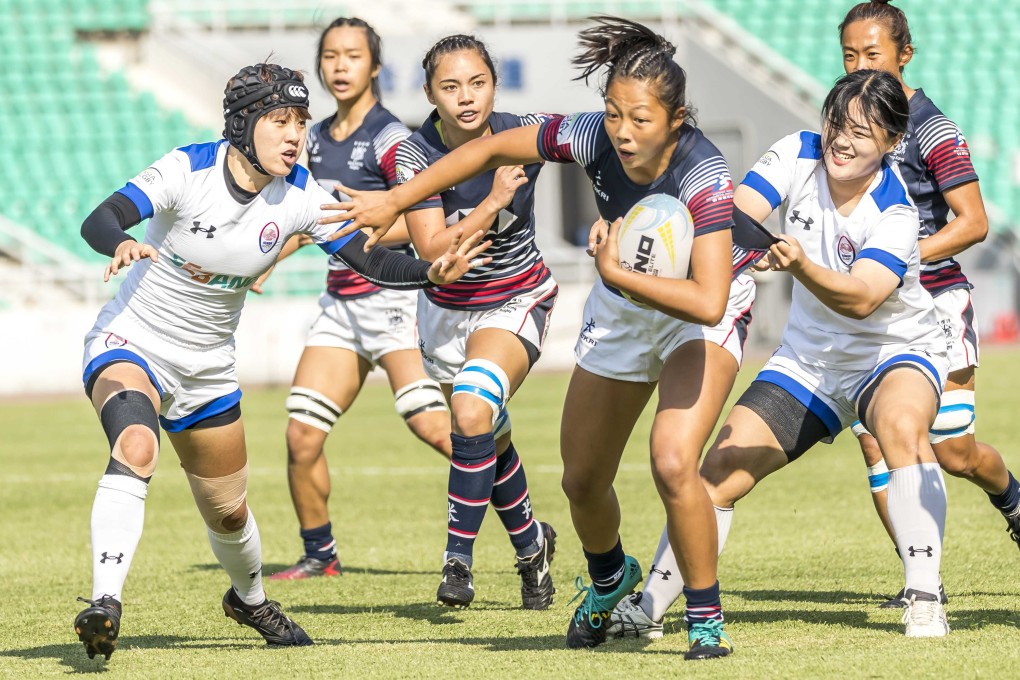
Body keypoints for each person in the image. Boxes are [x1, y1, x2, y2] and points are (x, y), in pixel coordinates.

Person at [322, 17, 758, 659]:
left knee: (671, 460)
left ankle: (704, 621)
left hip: (699, 312)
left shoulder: (704, 175)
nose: (623, 132)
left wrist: (611, 270)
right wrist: (397, 202)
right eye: (613, 115)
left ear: (678, 117)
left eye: (640, 119)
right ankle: (611, 583)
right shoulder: (590, 135)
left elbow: (709, 298)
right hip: (623, 307)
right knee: (581, 479)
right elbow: (491, 151)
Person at [72, 62, 489, 661]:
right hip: (132, 342)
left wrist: (430, 271)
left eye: (300, 121)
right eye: (279, 120)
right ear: (243, 125)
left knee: (228, 509)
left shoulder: (300, 196)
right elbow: (100, 218)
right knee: (136, 445)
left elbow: (371, 263)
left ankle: (250, 599)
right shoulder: (188, 168)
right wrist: (123, 243)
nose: (295, 135)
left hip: (209, 368)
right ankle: (104, 604)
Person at [694, 70, 950, 641]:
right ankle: (657, 603)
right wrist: (749, 245)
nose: (842, 138)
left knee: (902, 429)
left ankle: (926, 595)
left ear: (890, 142)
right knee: (717, 472)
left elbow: (860, 299)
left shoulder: (898, 211)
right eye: (837, 121)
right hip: (808, 360)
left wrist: (798, 263)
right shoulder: (797, 150)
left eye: (862, 130)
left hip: (894, 351)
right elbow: (740, 209)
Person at [364, 33, 560, 611]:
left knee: (470, 411)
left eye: (477, 83)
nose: (466, 97)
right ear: (429, 92)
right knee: (487, 438)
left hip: (517, 298)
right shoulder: (411, 151)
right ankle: (532, 551)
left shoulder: (524, 131)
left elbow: (604, 149)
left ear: (494, 85)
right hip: (445, 311)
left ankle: (457, 562)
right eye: (450, 87)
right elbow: (432, 250)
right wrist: (494, 201)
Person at [840, 0, 1020, 607]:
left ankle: (1015, 502)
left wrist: (899, 257)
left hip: (937, 302)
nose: (860, 66)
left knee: (953, 451)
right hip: (876, 312)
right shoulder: (848, 127)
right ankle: (924, 582)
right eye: (849, 56)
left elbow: (973, 222)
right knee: (877, 440)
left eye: (873, 54)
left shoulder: (932, 127)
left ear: (903, 54)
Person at [266, 18, 454, 583]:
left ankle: (526, 524)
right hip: (340, 306)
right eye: (330, 56)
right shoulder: (314, 137)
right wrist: (266, 259)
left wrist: (363, 233)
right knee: (301, 435)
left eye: (352, 55)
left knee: (436, 428)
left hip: (393, 300)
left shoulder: (392, 139)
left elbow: (423, 219)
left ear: (374, 66)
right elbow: (312, 220)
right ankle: (319, 555)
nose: (339, 66)